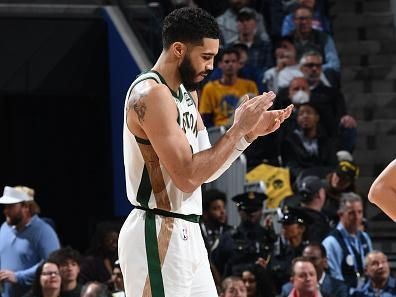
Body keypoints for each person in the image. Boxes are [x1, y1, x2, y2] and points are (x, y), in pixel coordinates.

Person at [118, 7, 293, 297]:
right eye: (206, 57)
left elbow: (205, 169)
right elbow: (187, 177)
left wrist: (248, 134)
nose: (211, 66)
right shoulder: (151, 95)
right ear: (178, 50)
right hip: (157, 228)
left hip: (189, 230)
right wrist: (236, 130)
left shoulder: (188, 95)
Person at [0, 186, 61, 297]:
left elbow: (52, 263)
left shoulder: (44, 231)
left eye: (10, 206)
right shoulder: (4, 228)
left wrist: (19, 277)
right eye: (5, 207)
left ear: (26, 207)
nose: (5, 211)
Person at [322, 193, 373, 292]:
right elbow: (335, 279)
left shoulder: (365, 238)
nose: (357, 217)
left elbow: (370, 269)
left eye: (359, 212)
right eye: (351, 213)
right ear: (341, 214)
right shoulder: (331, 243)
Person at [199, 47, 258, 128]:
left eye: (234, 61)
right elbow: (206, 118)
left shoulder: (250, 86)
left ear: (239, 64)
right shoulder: (209, 88)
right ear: (220, 64)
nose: (230, 64)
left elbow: (256, 113)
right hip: (219, 131)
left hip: (244, 129)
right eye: (227, 61)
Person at [281, 243, 348, 297]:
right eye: (305, 259)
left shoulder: (339, 288)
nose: (309, 263)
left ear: (325, 262)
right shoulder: (287, 289)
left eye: (313, 259)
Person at [200, 189, 232, 256]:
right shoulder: (197, 232)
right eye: (216, 208)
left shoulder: (230, 232)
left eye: (223, 207)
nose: (222, 212)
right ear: (205, 213)